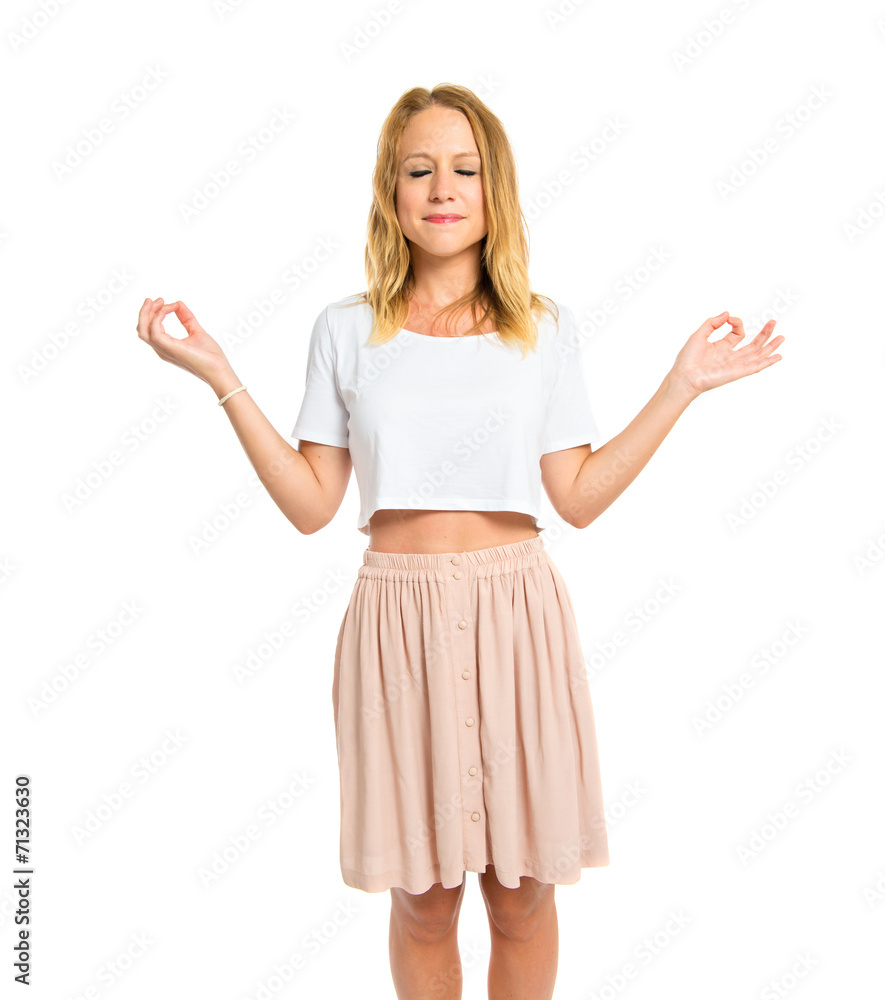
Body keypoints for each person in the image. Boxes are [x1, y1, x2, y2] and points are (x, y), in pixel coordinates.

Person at [137, 83, 784, 1000]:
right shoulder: (345, 328)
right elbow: (313, 504)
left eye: (464, 169)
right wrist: (220, 376)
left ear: (494, 190)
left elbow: (578, 496)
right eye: (419, 169)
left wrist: (679, 385)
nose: (442, 188)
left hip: (516, 614)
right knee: (424, 901)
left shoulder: (543, 327)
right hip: (394, 620)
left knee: (521, 896)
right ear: (391, 192)